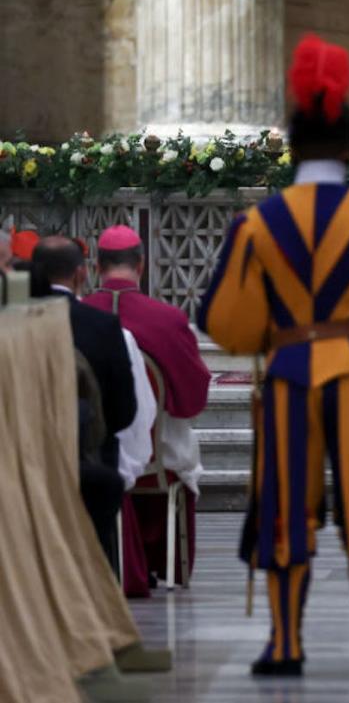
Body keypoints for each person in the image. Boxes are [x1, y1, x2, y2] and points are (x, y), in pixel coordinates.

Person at [198, 33, 349, 676]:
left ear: (296, 143)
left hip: (286, 380)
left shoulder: (259, 223)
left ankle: (284, 642)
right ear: (348, 144)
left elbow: (227, 325)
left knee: (282, 502)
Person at [82, 224, 211, 593]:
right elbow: (192, 399)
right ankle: (165, 563)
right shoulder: (168, 320)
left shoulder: (77, 316)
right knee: (178, 441)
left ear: (95, 266)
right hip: (157, 459)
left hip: (90, 455)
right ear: (142, 264)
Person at [31, 236, 154, 571]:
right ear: (81, 274)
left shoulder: (11, 324)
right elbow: (125, 410)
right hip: (90, 463)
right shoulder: (103, 327)